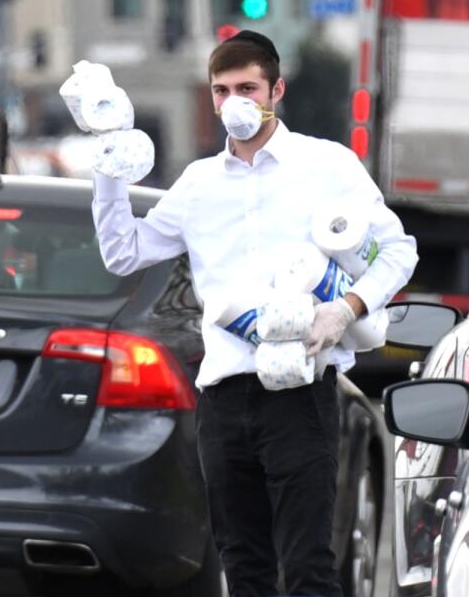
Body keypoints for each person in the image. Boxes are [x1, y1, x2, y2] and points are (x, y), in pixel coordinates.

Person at [91, 30, 418, 597]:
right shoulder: (198, 184)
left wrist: (345, 310)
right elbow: (125, 251)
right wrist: (107, 171)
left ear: (277, 90)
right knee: (243, 572)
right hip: (223, 398)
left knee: (310, 568)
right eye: (221, 90)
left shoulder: (326, 165)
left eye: (247, 87)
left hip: (302, 395)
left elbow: (399, 251)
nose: (233, 102)